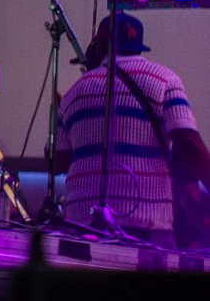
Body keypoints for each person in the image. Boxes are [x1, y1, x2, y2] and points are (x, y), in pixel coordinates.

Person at [55, 13, 210, 248]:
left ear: (99, 47)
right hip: (147, 220)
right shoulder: (165, 80)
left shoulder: (73, 93)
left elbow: (58, 162)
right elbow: (188, 143)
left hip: (83, 224)